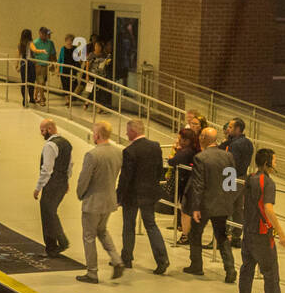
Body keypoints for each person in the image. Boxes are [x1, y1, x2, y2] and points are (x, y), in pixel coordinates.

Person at [235, 148, 285, 293]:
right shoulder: (268, 183)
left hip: (248, 230)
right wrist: (281, 233)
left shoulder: (250, 178)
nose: (276, 163)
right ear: (268, 163)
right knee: (270, 269)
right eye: (274, 160)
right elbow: (268, 208)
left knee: (247, 268)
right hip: (261, 232)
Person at [184, 127, 236, 282]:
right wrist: (228, 201)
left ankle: (196, 265)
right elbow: (231, 182)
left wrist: (195, 207)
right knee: (221, 236)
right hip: (223, 203)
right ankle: (230, 269)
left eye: (201, 136)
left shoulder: (201, 158)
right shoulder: (228, 156)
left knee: (195, 233)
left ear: (204, 138)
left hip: (205, 204)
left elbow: (198, 185)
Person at [74, 121, 125, 283]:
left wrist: (80, 194)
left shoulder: (92, 155)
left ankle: (92, 272)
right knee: (102, 231)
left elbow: (84, 180)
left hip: (93, 202)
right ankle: (116, 259)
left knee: (89, 236)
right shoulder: (118, 152)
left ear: (98, 135)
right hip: (109, 200)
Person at [118, 119, 169, 274]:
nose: (126, 134)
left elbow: (125, 177)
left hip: (132, 195)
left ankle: (126, 258)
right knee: (151, 226)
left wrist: (118, 196)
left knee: (129, 226)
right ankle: (162, 259)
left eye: (127, 131)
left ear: (133, 131)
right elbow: (160, 170)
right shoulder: (155, 147)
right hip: (149, 193)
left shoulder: (129, 151)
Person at [33, 118, 72, 257]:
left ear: (49, 129)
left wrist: (38, 187)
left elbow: (47, 169)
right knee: (51, 211)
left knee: (47, 213)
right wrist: (66, 181)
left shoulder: (50, 145)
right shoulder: (67, 143)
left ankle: (56, 244)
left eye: (43, 131)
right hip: (61, 183)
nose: (42, 134)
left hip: (52, 184)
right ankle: (56, 244)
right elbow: (70, 165)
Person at [168, 126, 199, 240]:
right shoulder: (191, 150)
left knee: (185, 210)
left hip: (186, 183)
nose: (178, 140)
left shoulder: (186, 152)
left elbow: (172, 161)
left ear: (186, 140)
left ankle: (186, 235)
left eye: (180, 138)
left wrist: (173, 155)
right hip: (186, 182)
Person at [32, 27, 56, 106]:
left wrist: (53, 64)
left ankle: (36, 96)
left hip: (45, 65)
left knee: (42, 83)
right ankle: (42, 99)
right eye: (43, 34)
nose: (45, 36)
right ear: (40, 33)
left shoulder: (50, 43)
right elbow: (32, 55)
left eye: (46, 34)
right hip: (38, 65)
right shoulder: (35, 42)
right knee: (40, 82)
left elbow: (52, 54)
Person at [17, 28, 36, 106]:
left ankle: (25, 99)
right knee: (31, 82)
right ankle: (31, 98)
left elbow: (18, 54)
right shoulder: (31, 43)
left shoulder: (21, 44)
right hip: (30, 63)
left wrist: (17, 64)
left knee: (24, 82)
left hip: (23, 63)